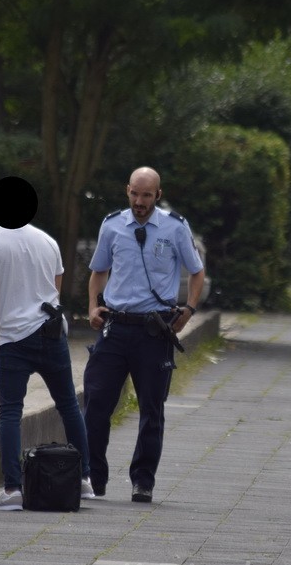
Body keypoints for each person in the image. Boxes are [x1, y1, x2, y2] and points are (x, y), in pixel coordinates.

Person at [0, 177, 94, 510]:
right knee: (68, 406)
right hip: (52, 332)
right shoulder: (47, 242)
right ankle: (84, 479)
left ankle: (13, 489)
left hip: (14, 339)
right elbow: (55, 287)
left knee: (10, 412)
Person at [83, 167, 205, 503]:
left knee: (152, 409)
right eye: (135, 194)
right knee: (95, 404)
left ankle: (143, 480)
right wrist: (94, 307)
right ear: (127, 191)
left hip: (154, 330)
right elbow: (98, 273)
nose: (140, 201)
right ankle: (94, 477)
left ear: (157, 195)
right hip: (116, 327)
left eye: (147, 195)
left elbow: (196, 272)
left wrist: (189, 309)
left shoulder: (175, 227)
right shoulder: (112, 225)